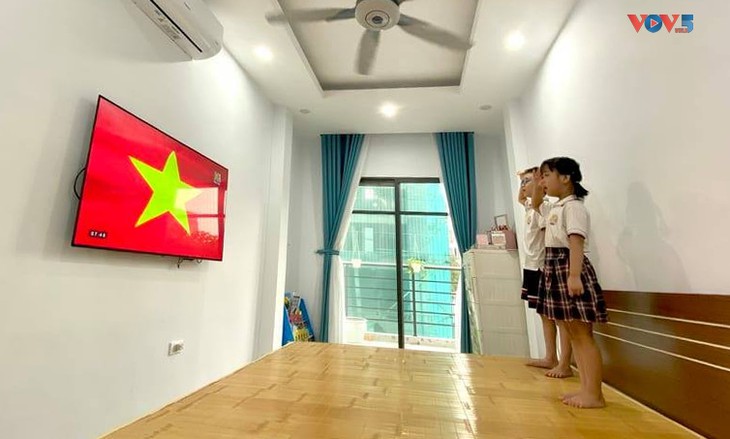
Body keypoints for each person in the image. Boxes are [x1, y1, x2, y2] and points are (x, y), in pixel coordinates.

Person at [532, 157, 608, 408]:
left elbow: (576, 241)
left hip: (568, 267)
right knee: (575, 334)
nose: (543, 181)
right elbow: (536, 204)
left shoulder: (574, 207)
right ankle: (586, 389)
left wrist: (574, 276)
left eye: (547, 175)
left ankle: (594, 394)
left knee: (583, 335)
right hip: (556, 266)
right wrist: (538, 183)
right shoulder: (557, 206)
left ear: (565, 178)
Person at [517, 167, 573, 379]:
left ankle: (565, 362)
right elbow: (522, 198)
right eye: (522, 182)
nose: (523, 186)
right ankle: (550, 356)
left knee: (559, 316)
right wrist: (523, 180)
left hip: (544, 267)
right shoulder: (531, 207)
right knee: (543, 313)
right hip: (532, 266)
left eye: (528, 181)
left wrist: (536, 183)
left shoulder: (547, 208)